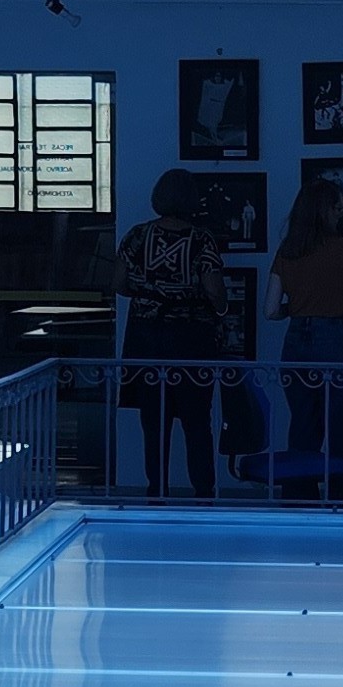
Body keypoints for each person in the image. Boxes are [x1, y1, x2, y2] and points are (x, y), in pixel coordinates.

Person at [112, 171, 229, 497]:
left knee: (154, 422)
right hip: (192, 339)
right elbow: (214, 289)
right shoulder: (202, 240)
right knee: (197, 422)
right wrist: (220, 311)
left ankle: (157, 492)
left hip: (146, 337)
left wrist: (148, 294)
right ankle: (203, 494)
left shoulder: (137, 236)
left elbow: (118, 283)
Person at [270, 174, 343, 498]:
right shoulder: (342, 248)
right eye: (338, 206)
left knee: (303, 426)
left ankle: (299, 502)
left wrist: (296, 308)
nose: (342, 212)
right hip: (333, 340)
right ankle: (342, 503)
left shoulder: (288, 250)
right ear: (327, 210)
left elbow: (270, 310)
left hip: (296, 340)